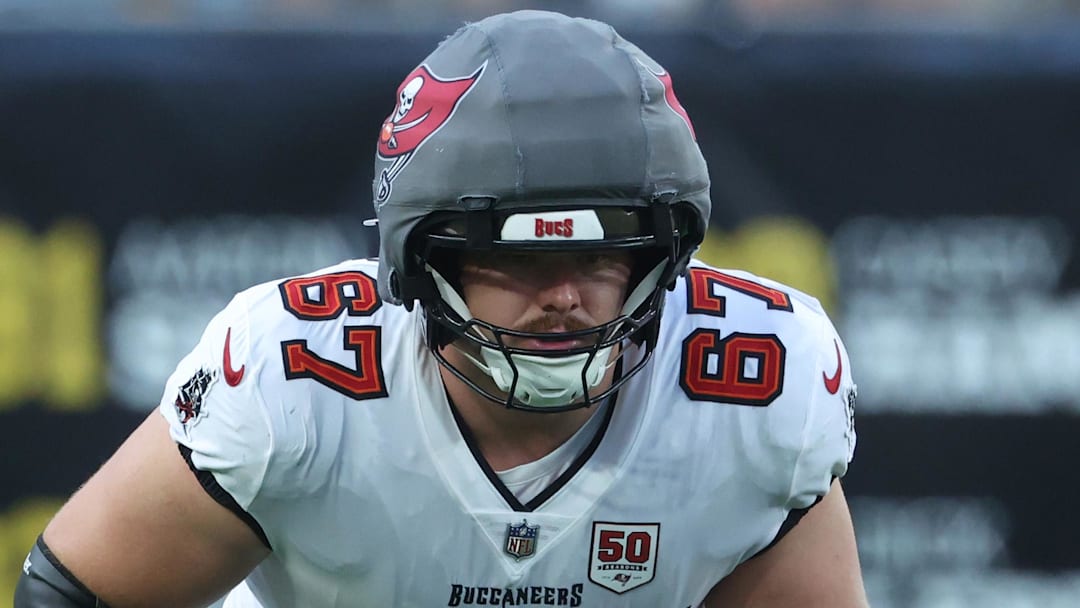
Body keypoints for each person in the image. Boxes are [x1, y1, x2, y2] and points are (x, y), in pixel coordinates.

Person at [16, 10, 867, 608]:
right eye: (514, 255)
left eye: (604, 253)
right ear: (420, 255)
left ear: (666, 250)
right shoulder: (293, 376)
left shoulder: (762, 381)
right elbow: (79, 591)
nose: (564, 294)